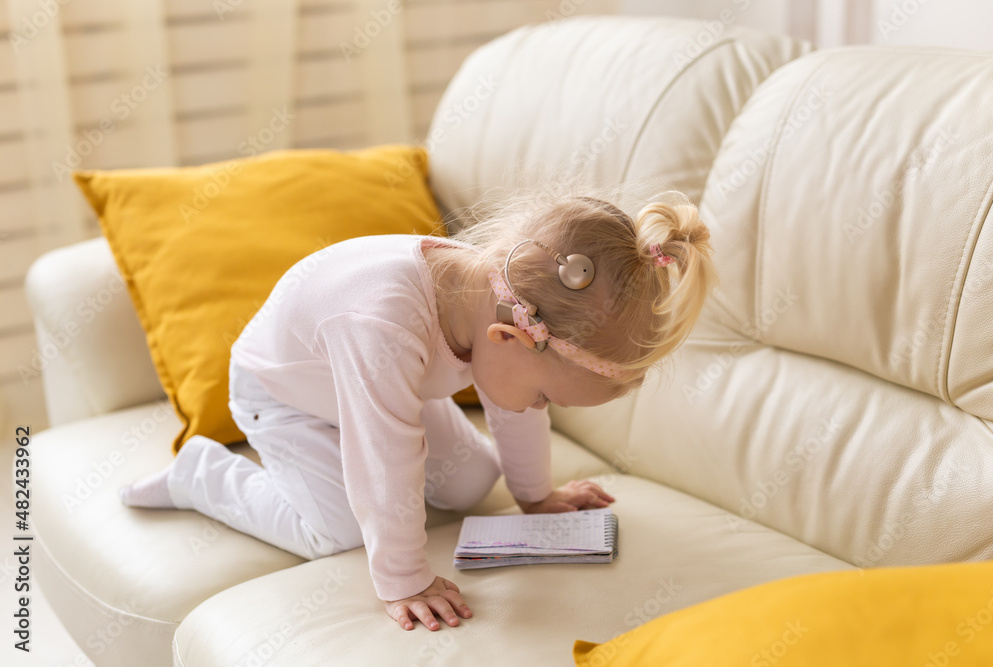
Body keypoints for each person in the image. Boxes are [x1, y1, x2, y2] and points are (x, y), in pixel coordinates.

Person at [117, 188, 720, 632]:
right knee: (339, 532)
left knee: (470, 482)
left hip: (383, 385)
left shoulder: (502, 300)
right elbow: (383, 454)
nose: (538, 406)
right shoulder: (382, 323)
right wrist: (404, 580)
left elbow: (512, 407)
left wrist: (536, 497)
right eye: (546, 396)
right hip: (285, 397)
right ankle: (201, 475)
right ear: (509, 339)